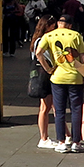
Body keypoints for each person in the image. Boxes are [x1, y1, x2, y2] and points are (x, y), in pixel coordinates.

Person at [37, 13, 84, 153]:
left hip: (57, 77)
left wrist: (48, 68)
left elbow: (38, 53)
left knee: (59, 111)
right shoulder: (76, 35)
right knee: (76, 110)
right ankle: (76, 142)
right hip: (75, 77)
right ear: (70, 25)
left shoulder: (49, 36)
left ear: (59, 23)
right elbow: (83, 57)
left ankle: (61, 142)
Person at [30, 14, 59, 149]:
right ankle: (44, 138)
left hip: (44, 76)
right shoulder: (43, 40)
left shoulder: (37, 39)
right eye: (52, 26)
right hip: (45, 76)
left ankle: (63, 135)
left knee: (50, 106)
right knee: (46, 107)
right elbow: (41, 55)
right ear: (47, 26)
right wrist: (49, 69)